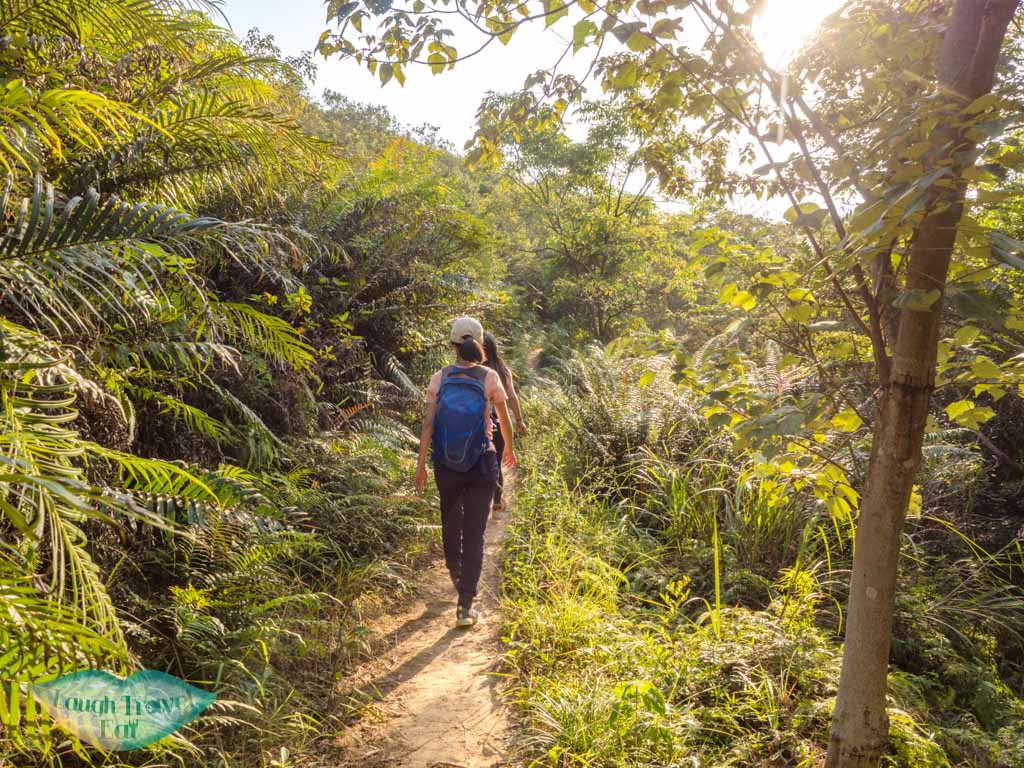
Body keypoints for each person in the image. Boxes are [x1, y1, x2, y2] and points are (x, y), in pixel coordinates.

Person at [415, 317, 517, 627]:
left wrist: (421, 465)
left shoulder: (440, 378)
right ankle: (465, 605)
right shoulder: (489, 377)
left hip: (446, 463)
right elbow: (504, 420)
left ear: (453, 345)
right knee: (475, 533)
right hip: (482, 463)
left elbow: (429, 425)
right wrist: (509, 449)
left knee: (451, 526)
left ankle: (458, 578)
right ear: (480, 343)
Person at [482, 332, 527, 513]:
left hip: (478, 421)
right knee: (496, 461)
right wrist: (519, 420)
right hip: (499, 422)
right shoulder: (502, 368)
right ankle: (497, 500)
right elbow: (512, 396)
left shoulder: (472, 369)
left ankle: (480, 499)